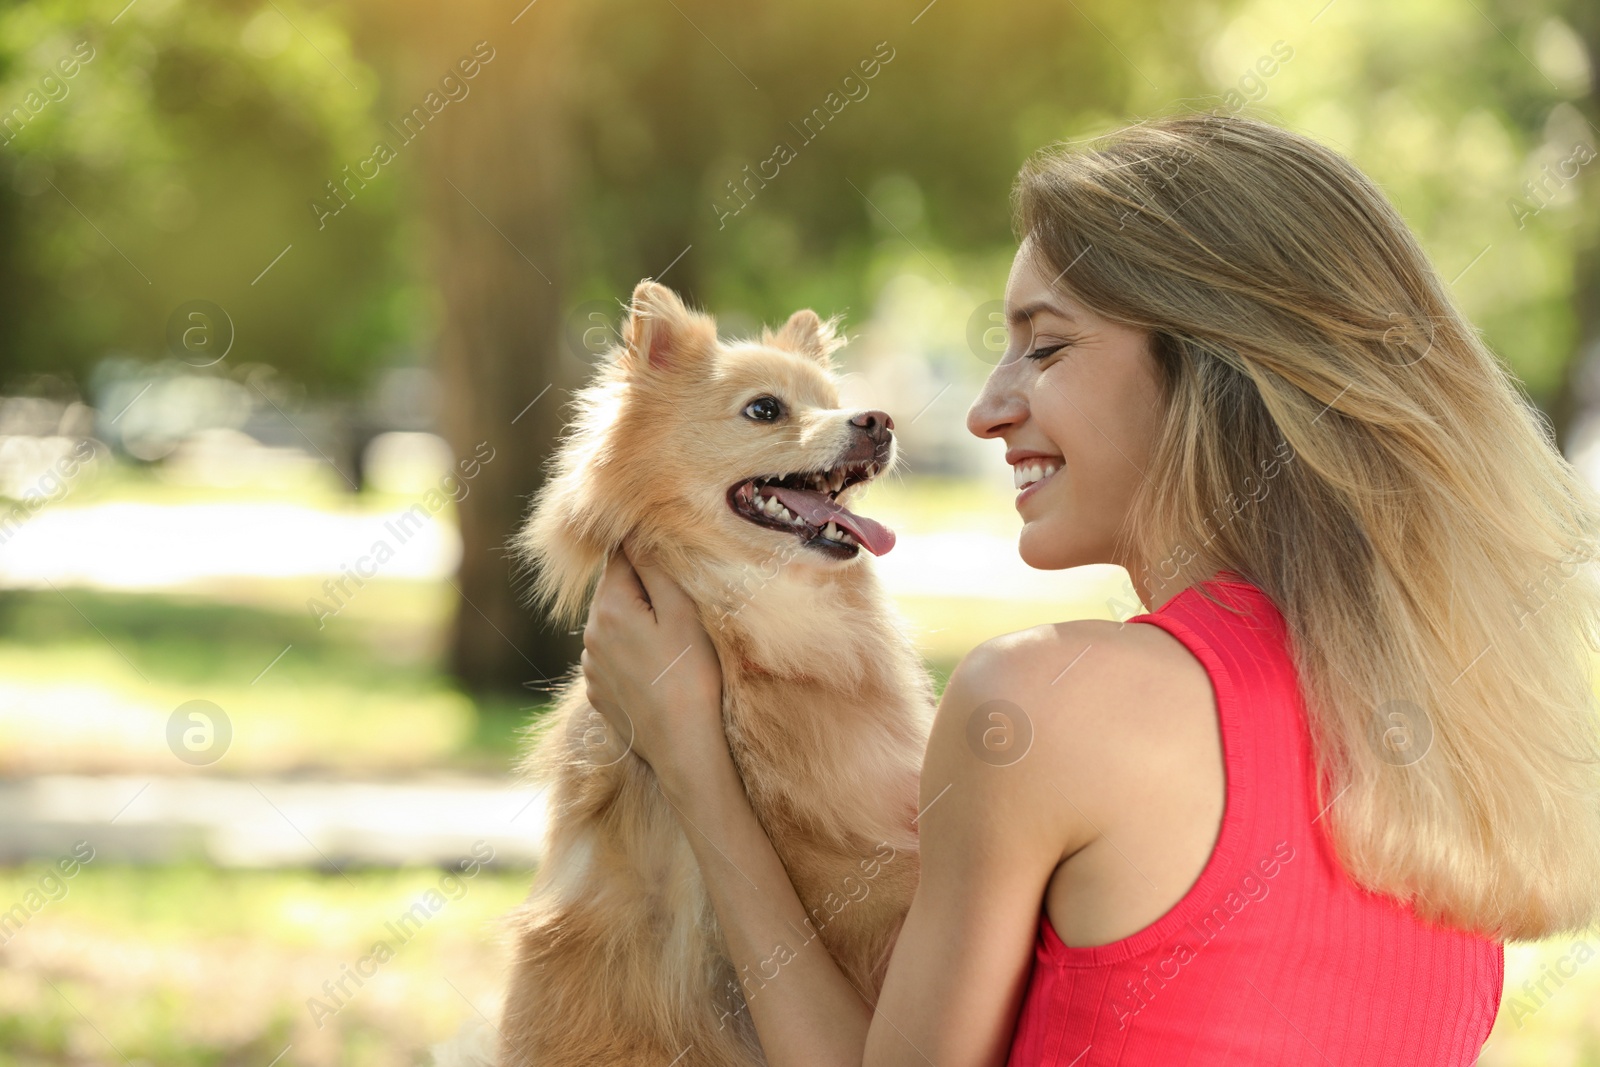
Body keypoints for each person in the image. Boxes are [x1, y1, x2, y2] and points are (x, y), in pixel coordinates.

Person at [575, 111, 1600, 1065]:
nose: (984, 409)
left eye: (1046, 346)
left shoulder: (1042, 703)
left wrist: (692, 762)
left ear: (1213, 365)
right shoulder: (1452, 744)